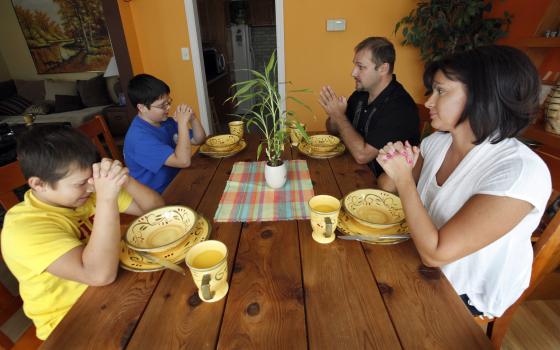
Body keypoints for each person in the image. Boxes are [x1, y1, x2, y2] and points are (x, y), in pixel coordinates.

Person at [376, 45, 552, 317]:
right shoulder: (436, 143)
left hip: (460, 295)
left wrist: (404, 179)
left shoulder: (519, 171)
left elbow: (436, 253)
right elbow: (386, 187)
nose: (428, 102)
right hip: (416, 261)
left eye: (441, 91)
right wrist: (395, 164)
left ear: (483, 97)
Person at [1, 125, 164, 340]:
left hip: (116, 287)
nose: (90, 188)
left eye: (91, 179)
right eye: (80, 183)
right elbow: (98, 275)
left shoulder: (85, 192)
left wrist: (126, 179)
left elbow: (157, 213)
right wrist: (107, 198)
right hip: (69, 322)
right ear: (38, 184)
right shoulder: (23, 229)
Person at [319, 37, 419, 176]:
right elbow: (334, 131)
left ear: (383, 68)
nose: (353, 73)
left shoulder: (400, 108)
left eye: (361, 67)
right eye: (355, 66)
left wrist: (339, 116)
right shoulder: (361, 94)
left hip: (379, 189)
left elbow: (362, 156)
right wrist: (334, 115)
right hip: (351, 170)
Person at [124, 74, 206, 193]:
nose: (168, 108)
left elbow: (199, 140)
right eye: (163, 105)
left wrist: (193, 118)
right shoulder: (139, 138)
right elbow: (183, 161)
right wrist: (182, 124)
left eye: (169, 102)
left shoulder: (165, 121)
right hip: (159, 194)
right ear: (142, 108)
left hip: (178, 179)